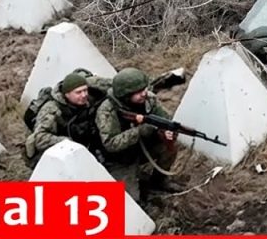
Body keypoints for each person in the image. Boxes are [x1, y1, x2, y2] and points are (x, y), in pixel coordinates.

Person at [95, 68, 181, 201]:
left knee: (168, 147)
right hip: (120, 159)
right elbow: (110, 144)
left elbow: (165, 119)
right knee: (130, 201)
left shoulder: (149, 99)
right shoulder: (107, 111)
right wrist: (139, 131)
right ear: (125, 95)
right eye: (138, 92)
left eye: (144, 89)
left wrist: (166, 132)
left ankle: (159, 181)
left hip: (142, 148)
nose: (144, 94)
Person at [24, 70, 111, 167]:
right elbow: (40, 138)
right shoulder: (51, 109)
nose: (84, 95)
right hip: (64, 148)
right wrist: (67, 142)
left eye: (85, 90)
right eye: (78, 92)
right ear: (67, 94)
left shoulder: (90, 97)